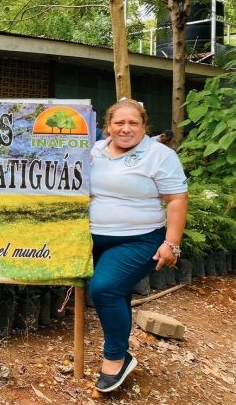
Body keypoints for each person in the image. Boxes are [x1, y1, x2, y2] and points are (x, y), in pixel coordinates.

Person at [88, 98, 188, 393]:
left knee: (105, 288)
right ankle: (121, 352)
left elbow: (177, 199)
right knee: (115, 291)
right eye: (119, 122)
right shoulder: (95, 151)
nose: (126, 128)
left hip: (140, 238)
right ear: (108, 126)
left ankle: (115, 359)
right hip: (92, 236)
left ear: (145, 126)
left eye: (133, 123)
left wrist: (172, 242)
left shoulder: (159, 155)